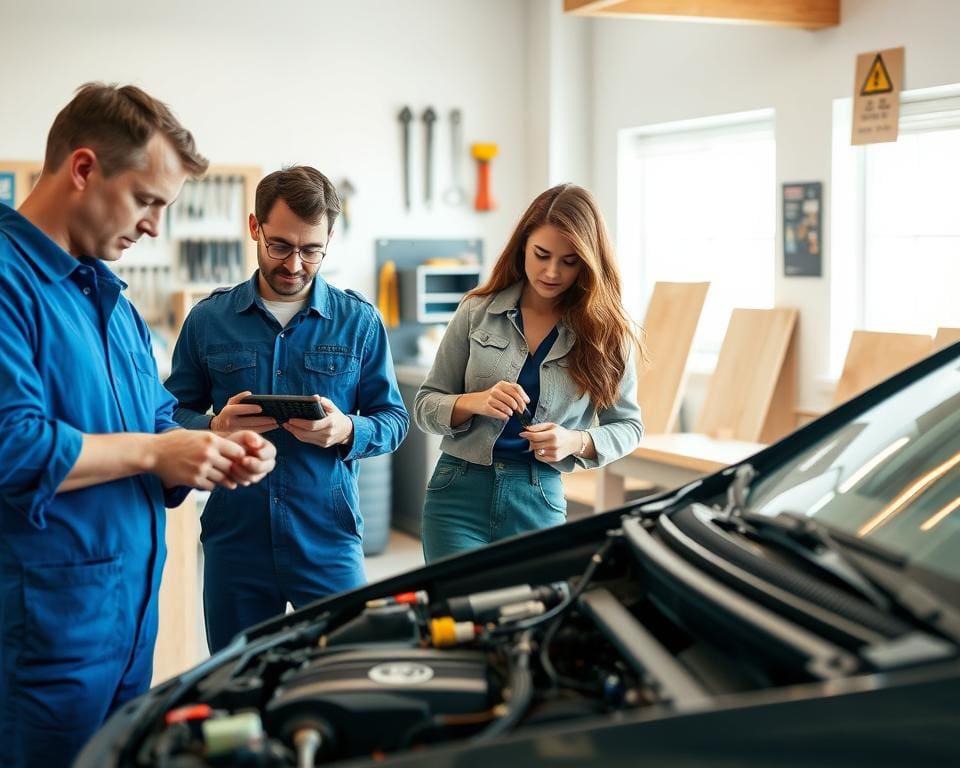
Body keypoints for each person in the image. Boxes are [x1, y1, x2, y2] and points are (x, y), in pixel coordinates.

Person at [0, 83, 277, 768]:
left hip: (125, 628)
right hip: (41, 637)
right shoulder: (9, 283)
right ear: (84, 168)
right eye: (147, 200)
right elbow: (14, 447)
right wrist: (160, 449)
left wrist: (210, 443)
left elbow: (152, 417)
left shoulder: (114, 302)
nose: (156, 225)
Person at [165, 165, 409, 653]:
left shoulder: (358, 321)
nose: (294, 264)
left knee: (343, 671)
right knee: (235, 684)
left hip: (327, 537)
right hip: (236, 541)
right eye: (279, 246)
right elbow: (168, 417)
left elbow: (394, 420)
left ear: (329, 239)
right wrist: (213, 426)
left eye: (311, 250)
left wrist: (346, 430)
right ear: (254, 228)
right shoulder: (208, 321)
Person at [414, 183, 644, 562]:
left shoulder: (607, 333)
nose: (552, 271)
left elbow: (629, 427)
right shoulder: (476, 311)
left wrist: (575, 442)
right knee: (455, 615)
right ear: (523, 246)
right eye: (541, 254)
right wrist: (475, 402)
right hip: (458, 492)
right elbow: (424, 406)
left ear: (588, 262)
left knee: (531, 615)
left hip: (538, 499)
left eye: (569, 261)